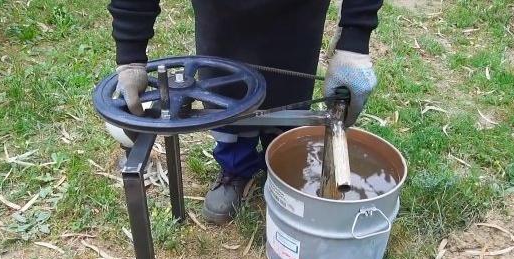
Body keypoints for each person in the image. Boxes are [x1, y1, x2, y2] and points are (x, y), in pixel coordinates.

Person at [108, 0, 383, 224]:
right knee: (225, 94)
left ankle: (285, 164)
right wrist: (131, 54)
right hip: (221, 15)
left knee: (290, 90)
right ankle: (235, 167)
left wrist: (355, 40)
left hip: (298, 15)